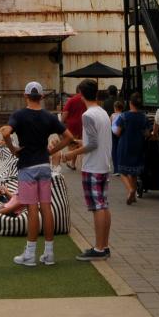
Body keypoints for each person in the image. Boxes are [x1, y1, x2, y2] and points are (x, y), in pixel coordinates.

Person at [0, 81, 70, 266]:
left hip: (27, 167)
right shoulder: (49, 116)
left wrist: (13, 148)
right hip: (44, 165)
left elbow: (5, 132)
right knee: (46, 207)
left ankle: (30, 254)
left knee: (32, 208)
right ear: (41, 97)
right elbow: (69, 137)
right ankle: (49, 253)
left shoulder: (19, 115)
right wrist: (51, 152)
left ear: (25, 96)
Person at [62, 79, 113, 261]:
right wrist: (79, 143)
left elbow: (92, 144)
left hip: (93, 166)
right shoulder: (103, 113)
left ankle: (99, 248)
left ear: (80, 94)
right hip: (104, 164)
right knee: (103, 205)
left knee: (97, 207)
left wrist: (71, 154)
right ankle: (104, 246)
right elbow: (96, 141)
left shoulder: (88, 115)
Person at [116, 93, 149, 205]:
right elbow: (147, 133)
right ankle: (133, 196)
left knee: (122, 171)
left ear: (130, 103)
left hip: (125, 145)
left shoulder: (123, 116)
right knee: (134, 172)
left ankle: (130, 189)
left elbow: (117, 131)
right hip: (138, 146)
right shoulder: (143, 117)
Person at [61, 85, 86, 169]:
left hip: (72, 125)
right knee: (83, 143)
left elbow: (65, 113)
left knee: (73, 144)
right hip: (83, 124)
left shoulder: (71, 100)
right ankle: (75, 163)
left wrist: (61, 123)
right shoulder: (85, 99)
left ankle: (71, 162)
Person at [110, 99, 125, 175]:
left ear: (115, 108)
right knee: (121, 149)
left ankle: (116, 169)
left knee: (114, 150)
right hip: (121, 132)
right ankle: (121, 168)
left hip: (113, 133)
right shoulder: (123, 115)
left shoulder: (112, 115)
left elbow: (110, 123)